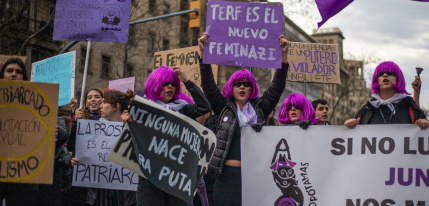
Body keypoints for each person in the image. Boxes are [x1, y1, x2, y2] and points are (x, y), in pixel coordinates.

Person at [198, 32, 289, 206]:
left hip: (253, 178)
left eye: (246, 84)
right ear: (231, 88)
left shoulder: (260, 108)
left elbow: (277, 87)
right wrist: (202, 54)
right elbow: (208, 85)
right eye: (237, 84)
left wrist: (283, 56)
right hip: (225, 178)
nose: (242, 87)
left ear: (251, 88)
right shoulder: (223, 107)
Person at [122, 66, 211, 206]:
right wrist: (126, 122)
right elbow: (131, 139)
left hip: (177, 177)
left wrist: (187, 81)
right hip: (150, 177)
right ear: (156, 84)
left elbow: (205, 108)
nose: (170, 87)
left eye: (174, 84)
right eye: (166, 83)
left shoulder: (182, 108)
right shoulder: (142, 108)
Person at [71, 89, 137, 206]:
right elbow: (76, 148)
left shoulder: (132, 126)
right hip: (99, 192)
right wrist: (74, 160)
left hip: (122, 192)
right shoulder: (93, 127)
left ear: (115, 106)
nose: (101, 105)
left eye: (105, 102)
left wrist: (128, 127)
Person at [344, 61, 429, 129]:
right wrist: (350, 125)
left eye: (390, 73)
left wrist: (424, 124)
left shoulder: (409, 107)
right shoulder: (366, 110)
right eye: (381, 74)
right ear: (377, 80)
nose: (385, 75)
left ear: (398, 79)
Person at [0, 57, 38, 205]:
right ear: (3, 74)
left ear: (24, 76)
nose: (14, 74)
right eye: (9, 70)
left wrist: (51, 133)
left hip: (21, 172)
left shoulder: (35, 101)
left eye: (18, 71)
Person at [66, 88, 104, 206]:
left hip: (103, 176)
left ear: (103, 100)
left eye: (97, 97)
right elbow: (71, 146)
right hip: (82, 175)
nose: (93, 100)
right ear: (86, 101)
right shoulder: (80, 119)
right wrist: (77, 122)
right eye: (89, 97)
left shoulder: (110, 122)